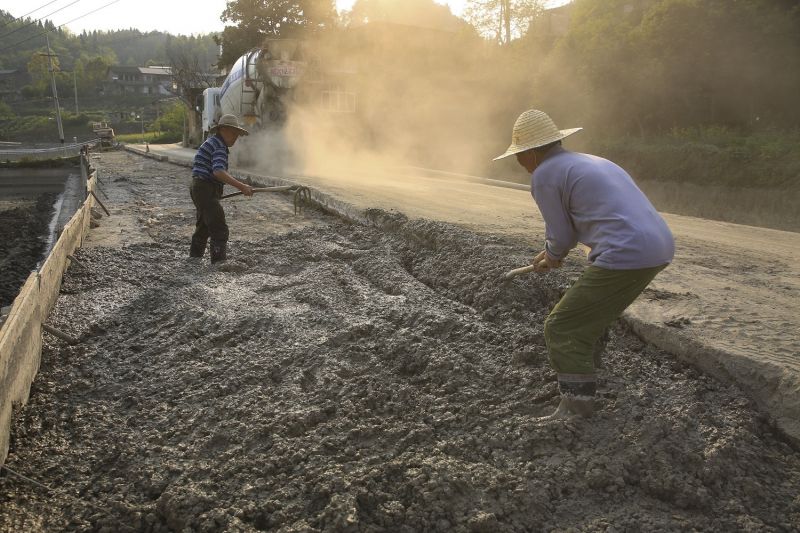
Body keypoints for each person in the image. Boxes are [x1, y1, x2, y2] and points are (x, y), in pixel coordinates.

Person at [494, 109, 675, 420]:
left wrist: (552, 255)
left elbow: (561, 236)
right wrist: (551, 253)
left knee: (562, 326)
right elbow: (572, 231)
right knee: (587, 318)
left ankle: (576, 408)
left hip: (626, 252)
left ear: (531, 152)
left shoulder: (545, 174)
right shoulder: (591, 161)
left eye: (519, 155)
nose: (519, 163)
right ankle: (586, 377)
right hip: (657, 246)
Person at [189, 114, 254, 263]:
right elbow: (218, 171)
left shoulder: (212, 142)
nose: (235, 138)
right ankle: (218, 264)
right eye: (233, 133)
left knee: (204, 227)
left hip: (199, 187)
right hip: (204, 189)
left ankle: (194, 259)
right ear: (223, 129)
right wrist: (242, 186)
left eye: (237, 135)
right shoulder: (219, 146)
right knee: (219, 228)